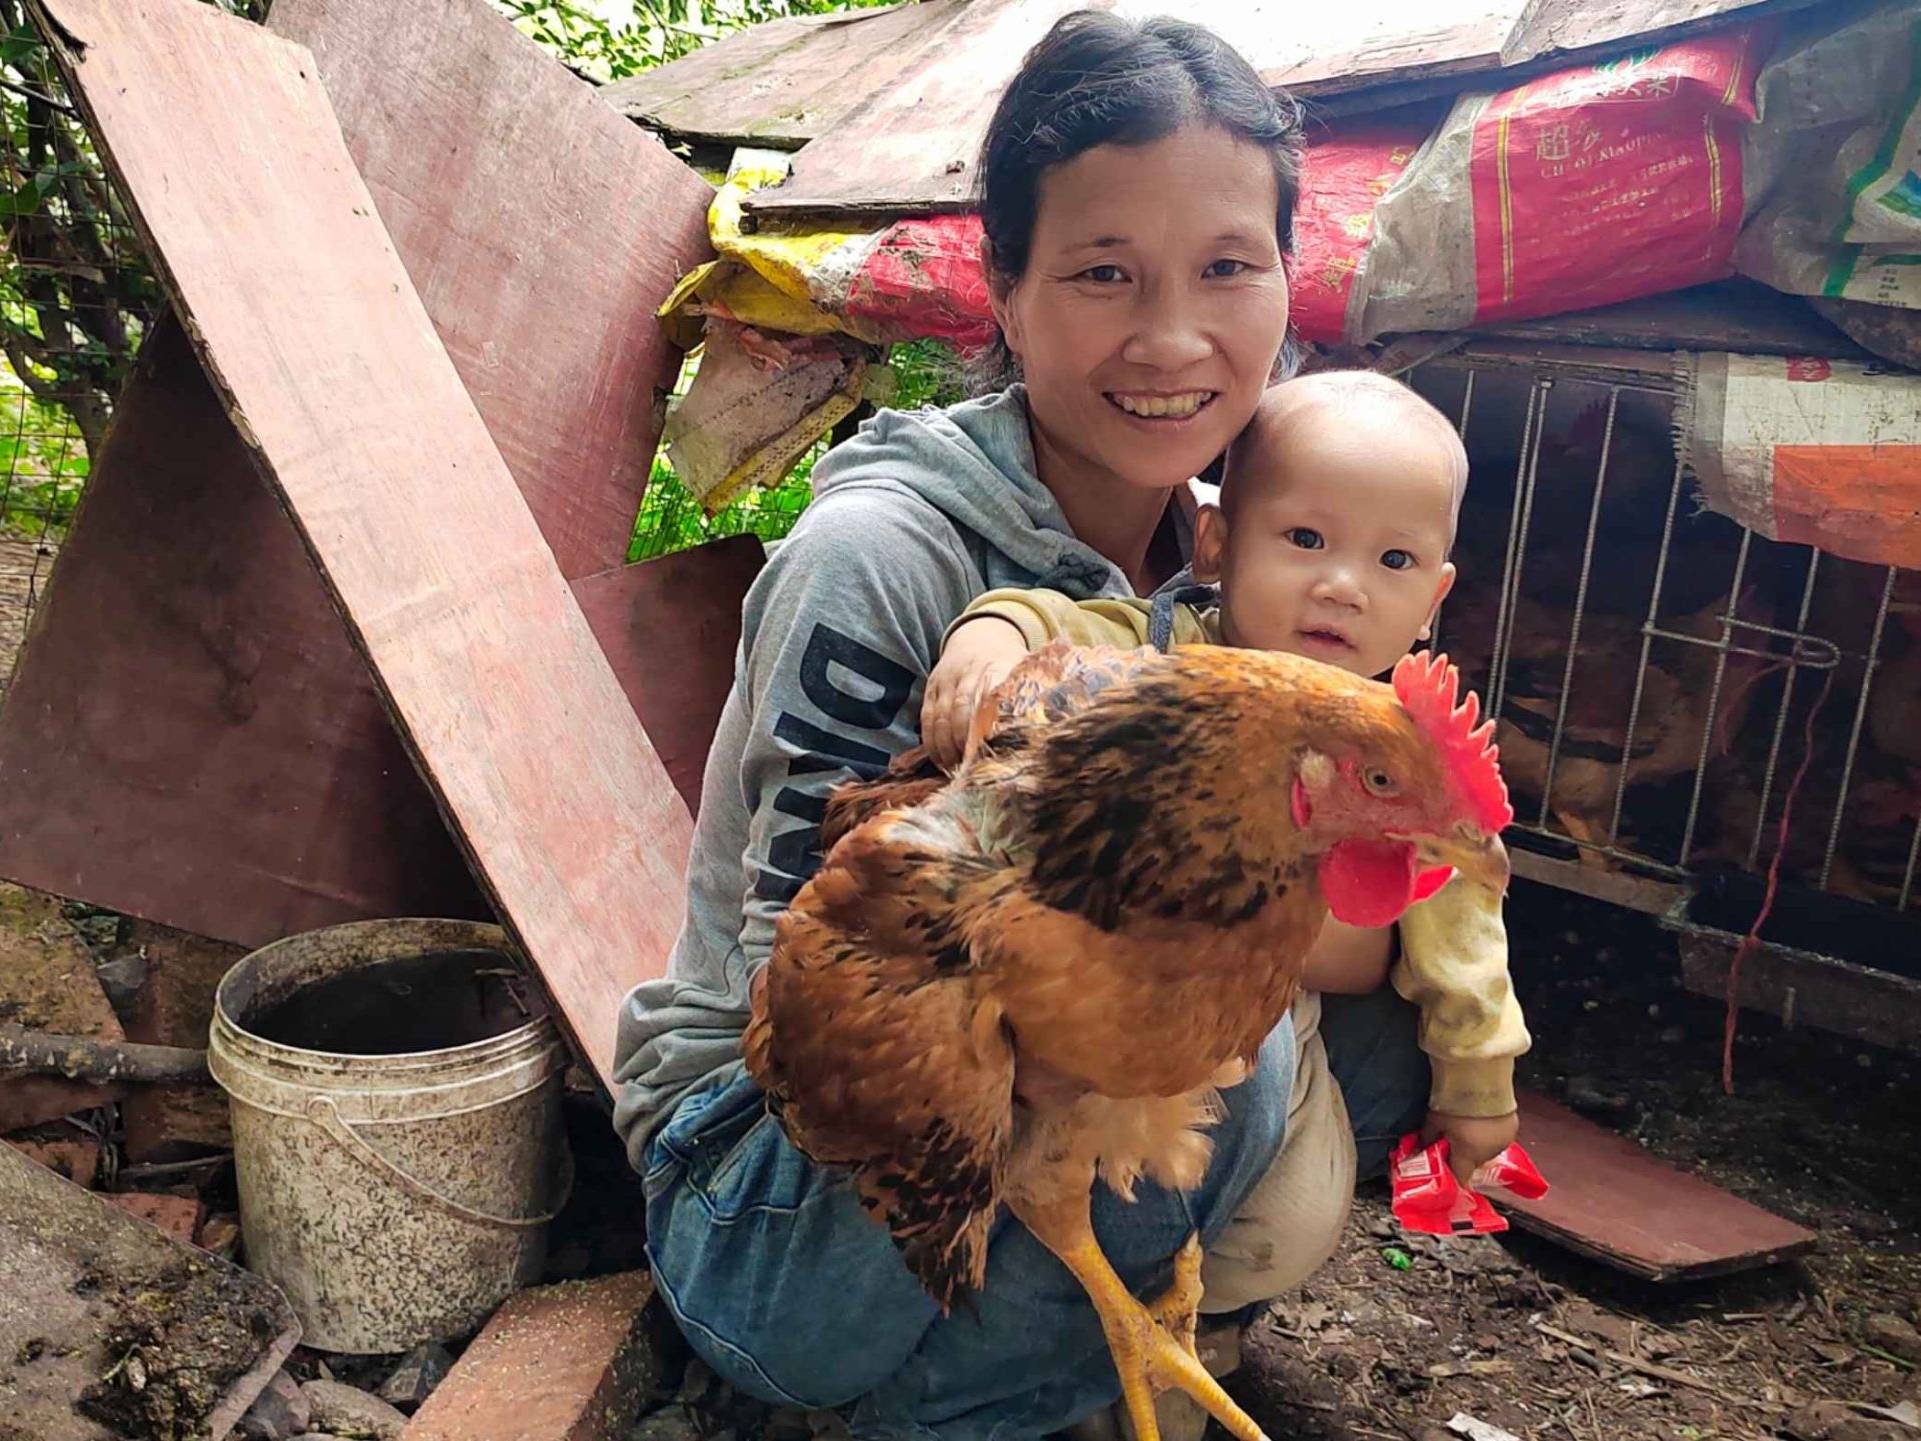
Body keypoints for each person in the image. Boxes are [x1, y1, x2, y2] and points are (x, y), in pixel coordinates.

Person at [612, 14, 1432, 1438]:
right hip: (783, 1160)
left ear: (1286, 283)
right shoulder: (879, 556)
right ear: (1001, 288)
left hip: (1049, 1095)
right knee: (1202, 1063)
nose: (1173, 337)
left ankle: (1048, 1342)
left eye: (1228, 267)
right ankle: (923, 1382)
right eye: (1103, 272)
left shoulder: (1245, 557)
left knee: (1317, 1042)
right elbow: (820, 1019)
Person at [924, 370, 1529, 1371]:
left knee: (1287, 1220)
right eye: (1305, 540)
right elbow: (1059, 623)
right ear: (1213, 542)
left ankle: (1192, 1322)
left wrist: (1478, 1086)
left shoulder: (1405, 753)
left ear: (1432, 597)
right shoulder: (1171, 658)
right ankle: (1058, 1334)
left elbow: (1466, 941)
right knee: (1078, 1166)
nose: (1342, 584)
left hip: (1279, 1023)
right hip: (1122, 998)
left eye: (1390, 559)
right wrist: (993, 635)